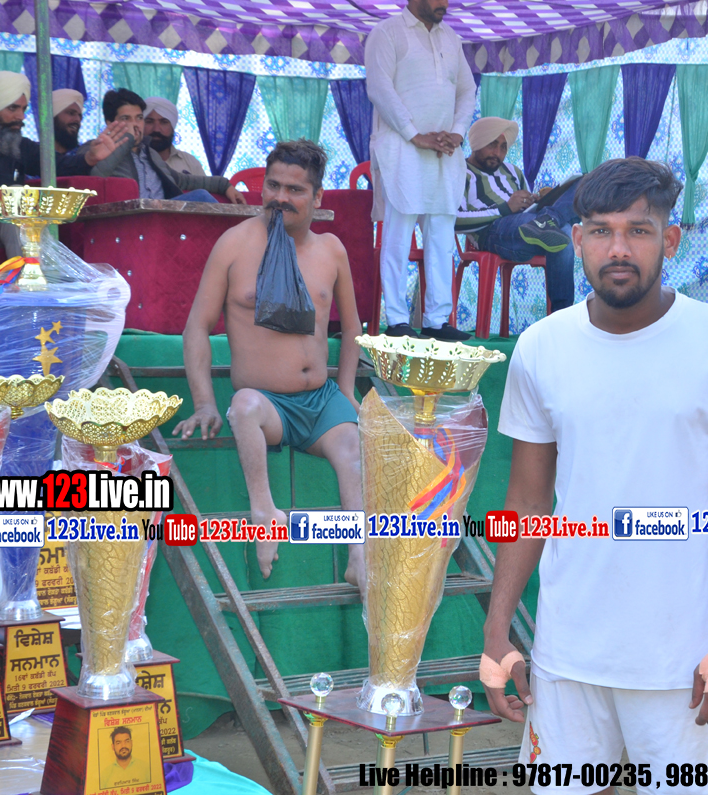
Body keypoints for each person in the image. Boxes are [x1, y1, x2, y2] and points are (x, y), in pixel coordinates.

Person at [481, 158, 708, 793]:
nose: (617, 249)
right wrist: (495, 625)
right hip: (566, 657)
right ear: (577, 240)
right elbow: (527, 503)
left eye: (638, 231)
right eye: (600, 230)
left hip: (682, 661)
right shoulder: (540, 348)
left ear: (669, 240)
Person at [174, 140, 364, 585]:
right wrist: (205, 403)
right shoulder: (235, 243)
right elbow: (196, 327)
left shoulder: (331, 249)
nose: (281, 197)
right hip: (267, 406)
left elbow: (353, 327)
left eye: (295, 189)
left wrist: (346, 390)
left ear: (317, 197)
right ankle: (265, 512)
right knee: (242, 405)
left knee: (356, 450)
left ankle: (360, 558)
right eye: (273, 185)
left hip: (321, 403)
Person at [365, 0, 475, 341]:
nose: (445, 4)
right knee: (398, 237)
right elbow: (380, 89)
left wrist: (457, 132)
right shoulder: (387, 33)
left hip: (444, 152)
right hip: (402, 149)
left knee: (441, 237)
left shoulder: (452, 38)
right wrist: (415, 134)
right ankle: (397, 319)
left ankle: (437, 321)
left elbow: (467, 90)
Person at [0, 71, 125, 257]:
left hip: (7, 223)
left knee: (19, 212)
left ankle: (28, 274)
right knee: (15, 198)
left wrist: (90, 157)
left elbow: (57, 164)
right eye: (13, 108)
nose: (21, 116)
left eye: (23, 109)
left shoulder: (20, 146)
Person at [457, 117, 578, 314]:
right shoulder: (460, 172)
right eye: (492, 145)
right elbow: (455, 221)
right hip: (492, 233)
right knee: (557, 228)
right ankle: (562, 312)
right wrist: (505, 209)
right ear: (477, 142)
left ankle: (562, 317)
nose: (498, 153)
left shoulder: (513, 171)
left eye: (503, 147)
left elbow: (525, 206)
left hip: (529, 228)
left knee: (582, 187)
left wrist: (537, 201)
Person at [90, 88, 244, 205]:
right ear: (110, 123)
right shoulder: (97, 149)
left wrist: (224, 185)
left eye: (139, 118)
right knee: (201, 197)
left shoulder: (150, 154)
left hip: (162, 217)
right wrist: (127, 140)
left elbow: (183, 180)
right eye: (126, 119)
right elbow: (94, 180)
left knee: (200, 195)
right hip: (129, 218)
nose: (135, 125)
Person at [143, 97, 206, 175]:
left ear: (173, 127)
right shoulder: (131, 163)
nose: (156, 129)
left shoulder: (190, 163)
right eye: (149, 122)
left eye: (164, 122)